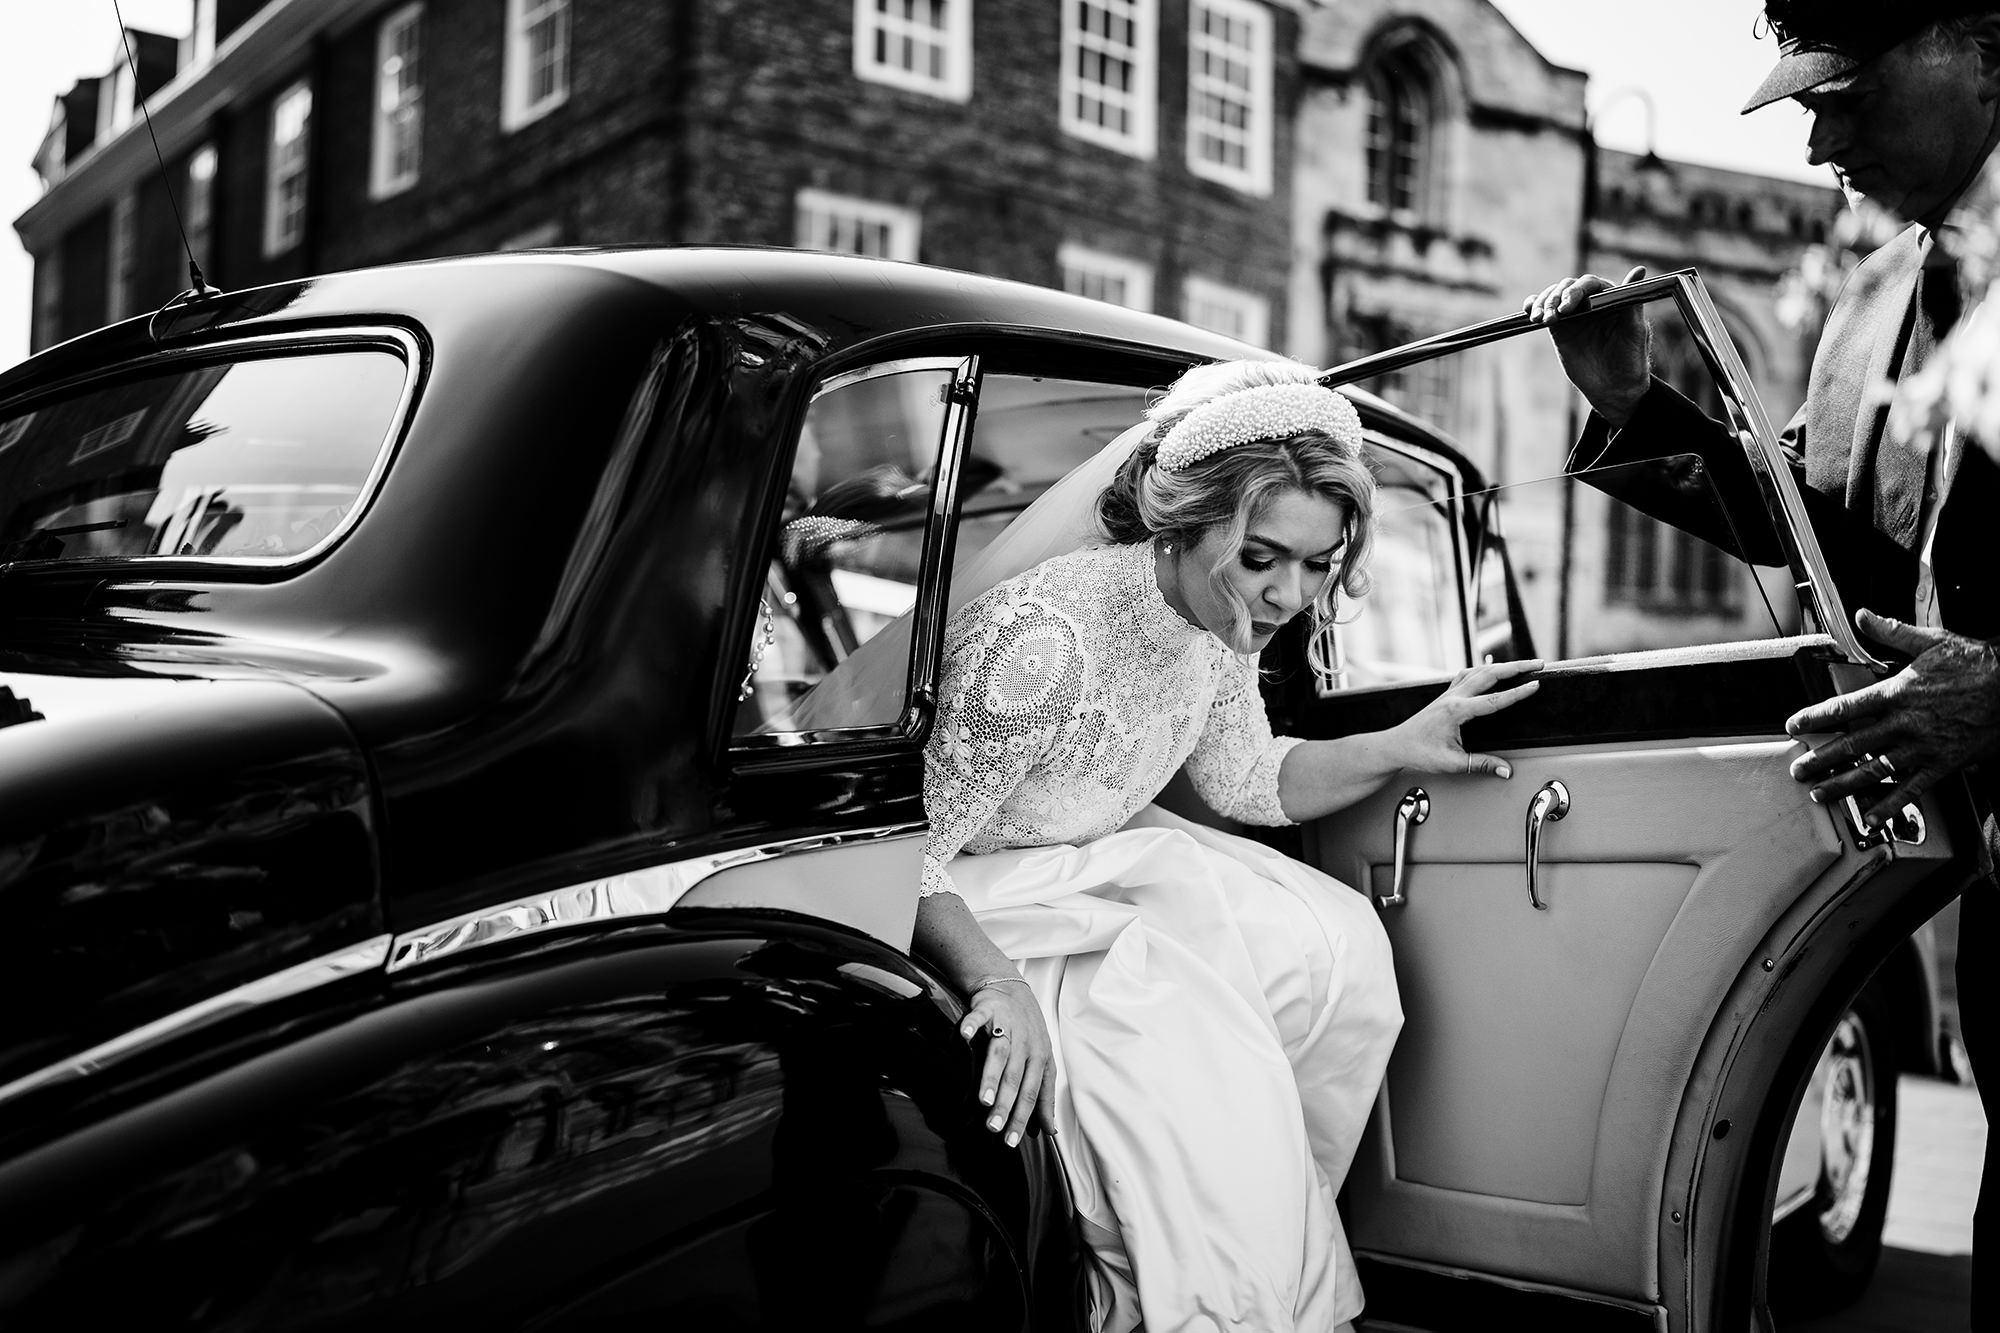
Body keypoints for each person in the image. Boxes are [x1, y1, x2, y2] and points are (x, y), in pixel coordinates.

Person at [1524, 3, 2000, 1322]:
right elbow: (1822, 540)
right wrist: (1634, 408)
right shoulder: (1869, 301)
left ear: (1985, 46)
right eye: (1801, 98)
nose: (1816, 139)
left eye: (1844, 91)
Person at [907, 358, 1542, 1332]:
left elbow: (1248, 780)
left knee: (1340, 949)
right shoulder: (1044, 643)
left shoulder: (1213, 626)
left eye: (1315, 563)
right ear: (1184, 522)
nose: (1289, 594)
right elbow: (907, 853)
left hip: (1103, 866)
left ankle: (1275, 1273)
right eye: (1261, 557)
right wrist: (994, 985)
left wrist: (1403, 741)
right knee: (1198, 1079)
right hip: (990, 900)